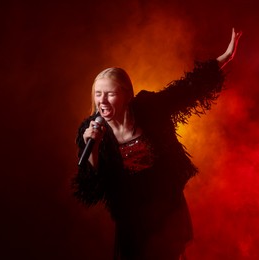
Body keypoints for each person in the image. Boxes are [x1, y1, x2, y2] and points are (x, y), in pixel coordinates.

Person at [73, 28, 242, 260]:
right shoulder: (90, 131)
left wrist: (224, 58)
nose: (102, 101)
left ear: (126, 95)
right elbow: (91, 188)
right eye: (98, 94)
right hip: (132, 221)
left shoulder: (148, 108)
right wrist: (93, 146)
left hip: (167, 212)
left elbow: (185, 91)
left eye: (109, 94)